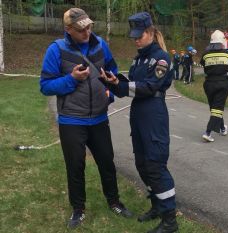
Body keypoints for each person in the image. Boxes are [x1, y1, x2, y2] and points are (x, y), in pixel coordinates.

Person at [39, 8, 132, 228]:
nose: (87, 32)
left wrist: (109, 85)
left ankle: (114, 202)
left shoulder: (100, 44)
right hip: (71, 120)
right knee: (75, 166)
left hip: (99, 118)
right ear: (68, 29)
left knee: (107, 162)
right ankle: (78, 209)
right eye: (81, 29)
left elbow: (113, 69)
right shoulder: (56, 50)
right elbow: (45, 86)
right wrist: (71, 79)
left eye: (89, 26)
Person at [99, 12, 178, 233]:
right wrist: (113, 82)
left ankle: (170, 220)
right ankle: (157, 206)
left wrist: (123, 86)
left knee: (155, 166)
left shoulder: (161, 57)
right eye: (133, 36)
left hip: (153, 114)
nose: (136, 39)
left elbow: (149, 86)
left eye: (140, 35)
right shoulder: (139, 59)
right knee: (142, 164)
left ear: (151, 32)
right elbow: (129, 87)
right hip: (139, 114)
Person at [200, 30, 228, 142]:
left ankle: (222, 128)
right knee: (217, 109)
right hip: (222, 83)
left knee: (214, 108)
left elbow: (203, 64)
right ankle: (208, 132)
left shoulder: (205, 54)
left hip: (209, 83)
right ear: (222, 42)